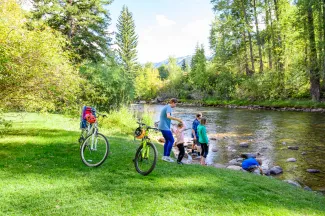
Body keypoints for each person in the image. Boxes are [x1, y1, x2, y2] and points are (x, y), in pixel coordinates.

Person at [158, 98, 182, 162]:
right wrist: (177, 119)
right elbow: (168, 116)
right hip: (164, 127)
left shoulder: (166, 106)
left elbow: (165, 118)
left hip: (162, 126)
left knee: (167, 141)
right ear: (173, 103)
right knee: (171, 140)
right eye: (176, 104)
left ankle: (164, 156)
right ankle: (167, 156)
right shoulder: (169, 107)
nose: (176, 105)